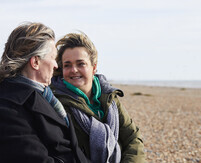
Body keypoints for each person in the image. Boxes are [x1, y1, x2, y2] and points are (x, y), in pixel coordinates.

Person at [0, 22, 90, 163]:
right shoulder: (5, 114)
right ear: (35, 62)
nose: (56, 65)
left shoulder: (45, 96)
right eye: (53, 58)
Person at [50, 32, 146, 163]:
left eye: (80, 64)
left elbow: (132, 137)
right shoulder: (56, 102)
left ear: (94, 67)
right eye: (67, 65)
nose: (74, 70)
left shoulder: (109, 97)